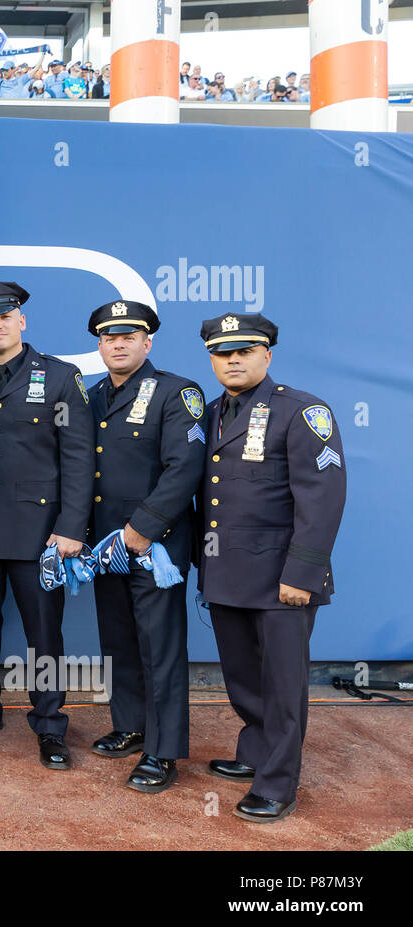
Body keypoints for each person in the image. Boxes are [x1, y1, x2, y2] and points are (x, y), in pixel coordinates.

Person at [196, 313, 345, 823]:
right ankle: (256, 755)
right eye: (222, 353)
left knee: (282, 687)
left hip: (282, 580)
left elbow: (322, 501)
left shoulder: (302, 411)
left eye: (244, 351)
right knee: (243, 680)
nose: (232, 360)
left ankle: (278, 784)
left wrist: (302, 575)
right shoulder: (213, 411)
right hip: (227, 573)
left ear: (267, 355)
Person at [0, 281, 93, 770]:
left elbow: (78, 458)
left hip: (40, 533)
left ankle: (51, 723)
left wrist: (72, 525)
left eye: (4, 317)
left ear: (22, 321)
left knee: (44, 633)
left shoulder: (59, 377)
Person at [84, 300, 205, 793]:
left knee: (160, 647)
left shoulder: (178, 393)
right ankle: (131, 725)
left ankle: (163, 750)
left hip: (157, 546)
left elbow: (185, 469)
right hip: (105, 545)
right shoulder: (90, 396)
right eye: (109, 337)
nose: (118, 344)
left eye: (128, 336)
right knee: (118, 640)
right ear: (99, 344)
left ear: (146, 342)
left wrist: (143, 528)